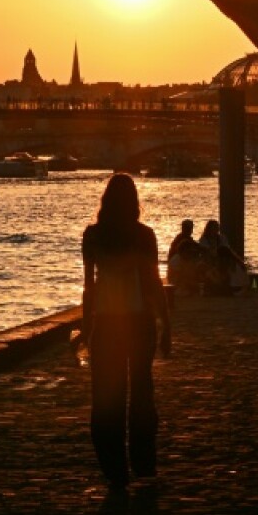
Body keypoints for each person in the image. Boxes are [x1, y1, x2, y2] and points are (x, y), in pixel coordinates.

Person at [81, 172, 171, 488]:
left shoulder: (93, 236)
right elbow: (154, 283)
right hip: (140, 321)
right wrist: (166, 324)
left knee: (108, 396)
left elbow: (89, 287)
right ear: (134, 201)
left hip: (106, 323)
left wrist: (85, 328)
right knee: (142, 392)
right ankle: (143, 461)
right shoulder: (144, 235)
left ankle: (114, 465)